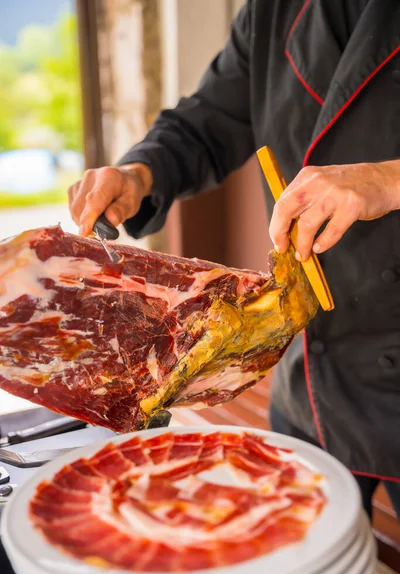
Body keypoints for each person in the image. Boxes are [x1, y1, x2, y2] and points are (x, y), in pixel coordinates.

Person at [68, 0, 400, 519]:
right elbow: (208, 120)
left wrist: (389, 178)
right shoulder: (272, 11)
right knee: (296, 566)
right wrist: (140, 172)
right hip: (315, 373)